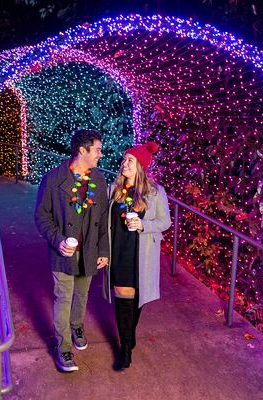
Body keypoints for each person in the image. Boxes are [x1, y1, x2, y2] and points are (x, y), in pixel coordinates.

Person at [35, 129, 110, 372]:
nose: (100, 154)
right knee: (64, 298)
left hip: (89, 250)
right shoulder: (53, 179)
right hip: (62, 253)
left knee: (82, 295)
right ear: (82, 150)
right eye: (97, 149)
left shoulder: (98, 180)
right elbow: (41, 215)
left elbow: (104, 218)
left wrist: (104, 250)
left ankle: (77, 326)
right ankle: (63, 348)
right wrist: (57, 240)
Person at [103, 141, 171, 369]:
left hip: (142, 253)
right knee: (123, 295)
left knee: (137, 298)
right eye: (124, 160)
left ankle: (128, 336)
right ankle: (125, 348)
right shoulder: (113, 190)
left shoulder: (155, 192)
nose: (124, 164)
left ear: (141, 166)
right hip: (119, 251)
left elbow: (165, 222)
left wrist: (143, 225)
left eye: (129, 160)